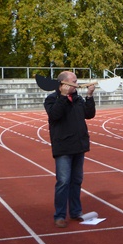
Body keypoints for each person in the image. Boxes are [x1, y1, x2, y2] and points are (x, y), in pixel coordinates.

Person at [44, 71, 96, 228]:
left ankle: (75, 211)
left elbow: (89, 114)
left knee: (76, 181)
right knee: (63, 181)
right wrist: (63, 97)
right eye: (74, 81)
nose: (77, 84)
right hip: (63, 147)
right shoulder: (52, 99)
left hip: (79, 146)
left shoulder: (78, 99)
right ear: (63, 84)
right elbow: (55, 115)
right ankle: (60, 215)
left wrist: (89, 96)